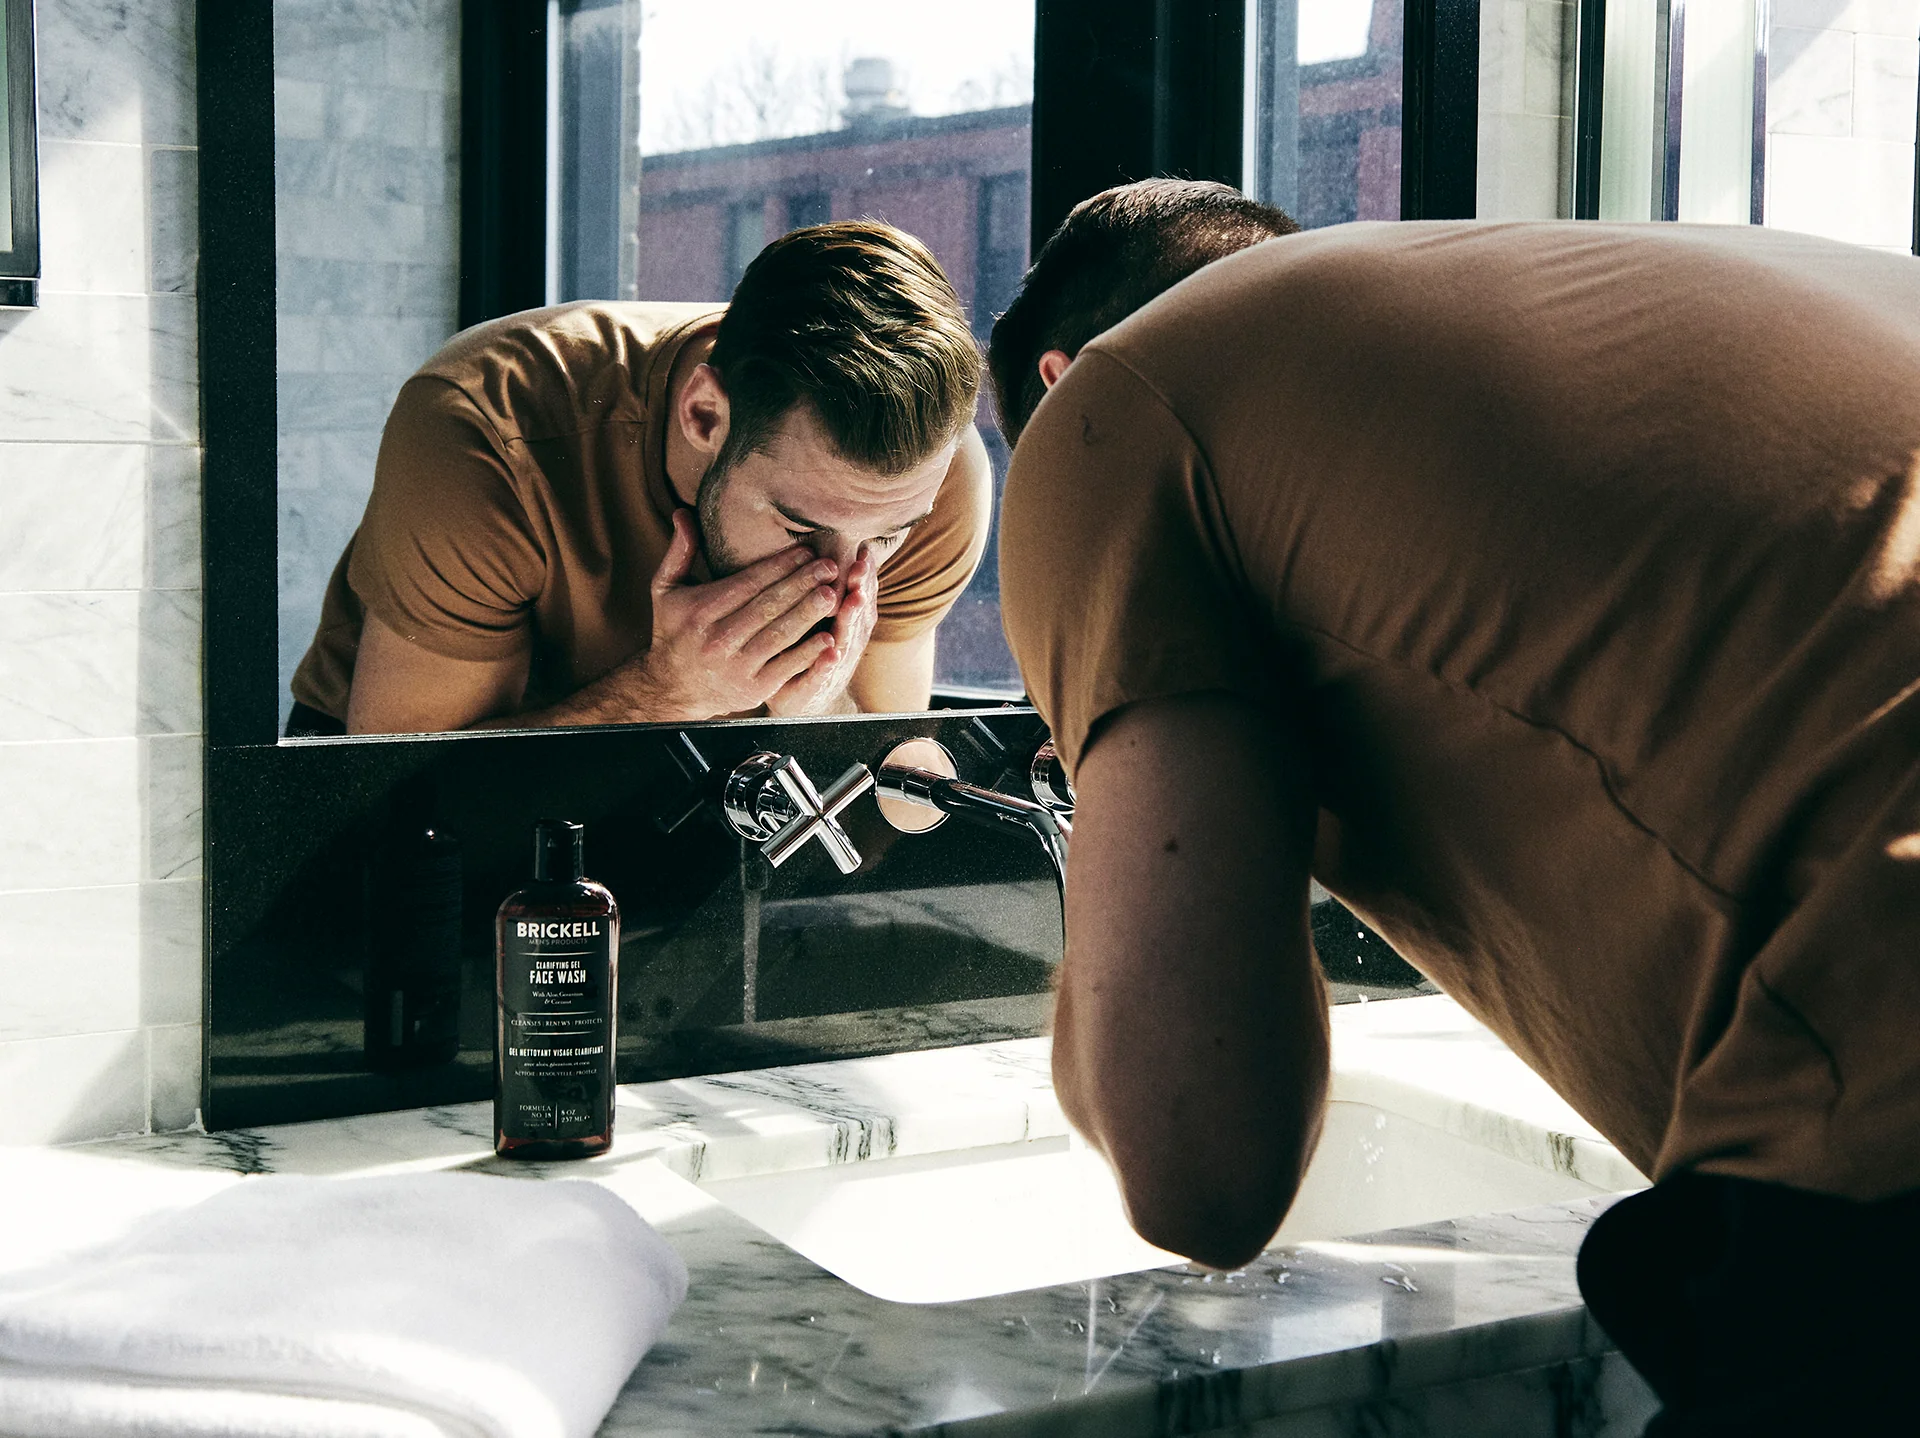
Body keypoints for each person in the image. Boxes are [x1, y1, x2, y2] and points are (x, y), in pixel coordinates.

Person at [990, 180, 1920, 1432]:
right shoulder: (1629, 276)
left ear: (1052, 385)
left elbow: (1199, 1169)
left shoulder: (1110, 409)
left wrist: (1115, 798)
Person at [287, 221, 991, 736]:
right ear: (705, 414)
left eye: (886, 537)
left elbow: (885, 811)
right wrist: (663, 692)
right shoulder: (489, 431)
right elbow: (410, 807)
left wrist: (818, 709)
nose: (838, 580)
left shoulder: (935, 479)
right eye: (800, 527)